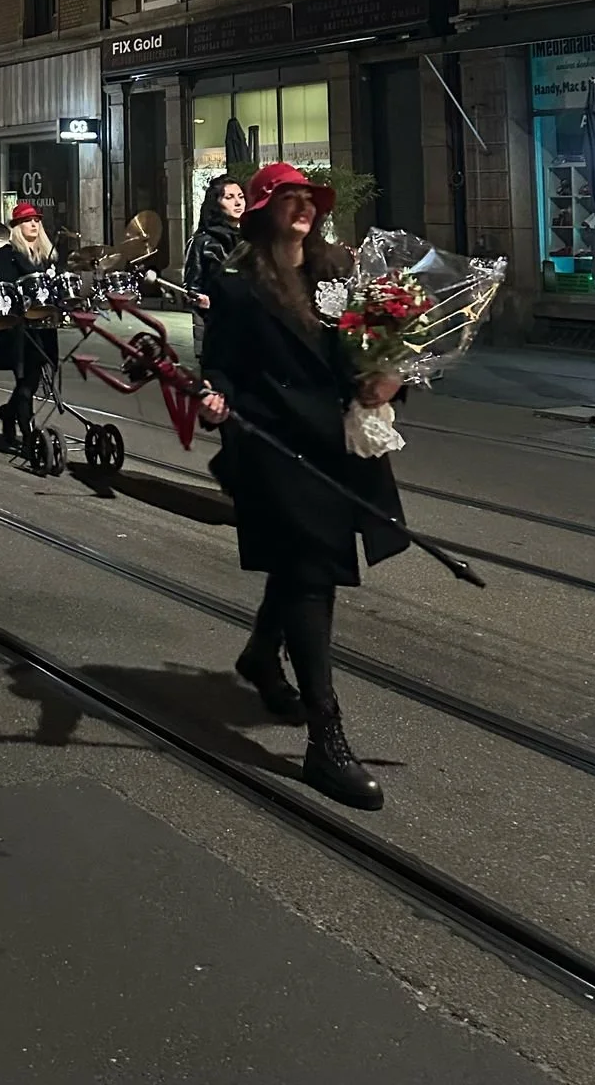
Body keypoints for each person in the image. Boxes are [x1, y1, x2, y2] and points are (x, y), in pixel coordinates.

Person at [199, 162, 404, 811]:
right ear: (262, 211)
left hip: (333, 443)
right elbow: (222, 366)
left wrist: (391, 375)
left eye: (307, 198)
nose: (301, 207)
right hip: (273, 448)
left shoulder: (337, 270)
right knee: (311, 576)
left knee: (300, 568)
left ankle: (262, 655)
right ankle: (327, 737)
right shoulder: (236, 282)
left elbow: (371, 347)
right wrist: (214, 398)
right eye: (287, 199)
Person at [0, 202, 60, 450]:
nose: (34, 224)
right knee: (25, 381)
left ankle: (8, 412)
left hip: (43, 324)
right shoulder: (8, 252)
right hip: (18, 325)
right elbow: (4, 289)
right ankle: (28, 435)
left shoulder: (45, 255)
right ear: (17, 227)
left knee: (32, 378)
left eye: (37, 220)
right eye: (28, 221)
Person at [183, 175, 246, 353]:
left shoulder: (251, 238)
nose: (238, 203)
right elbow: (191, 288)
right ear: (216, 203)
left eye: (241, 197)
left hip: (251, 326)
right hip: (218, 327)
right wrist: (204, 303)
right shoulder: (202, 242)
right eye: (229, 197)